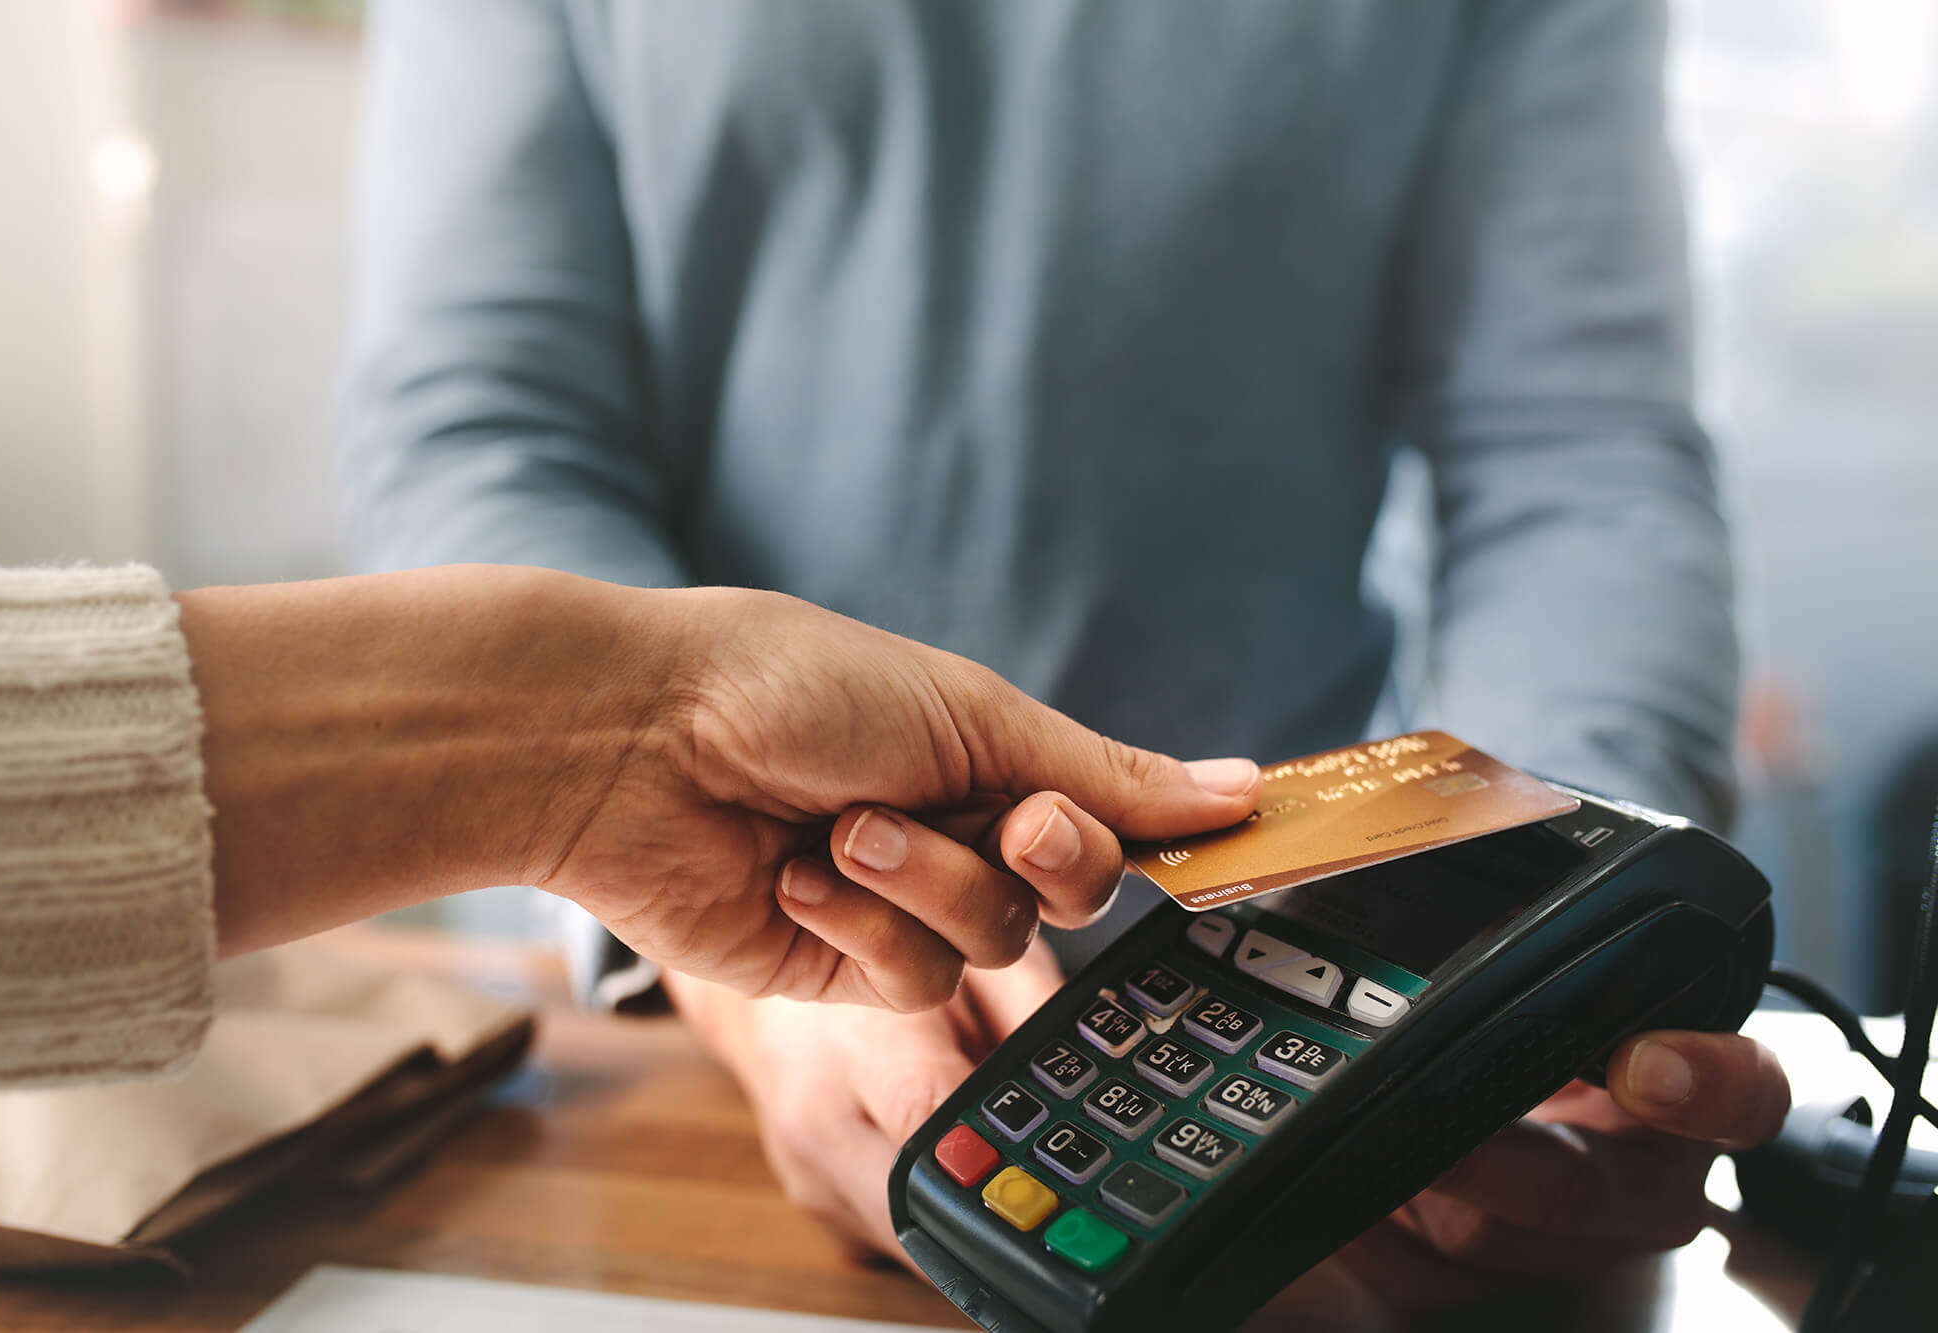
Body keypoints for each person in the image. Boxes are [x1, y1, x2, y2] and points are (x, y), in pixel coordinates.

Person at [345, 0, 1792, 1272]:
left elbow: (1574, 450)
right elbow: (486, 422)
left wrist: (1538, 941)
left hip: (1301, 1018)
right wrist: (738, 938)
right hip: (674, 1029)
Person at [0, 561, 1262, 1090]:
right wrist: (625, 754)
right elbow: (477, 402)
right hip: (724, 1037)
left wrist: (624, 744)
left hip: (1259, 983)